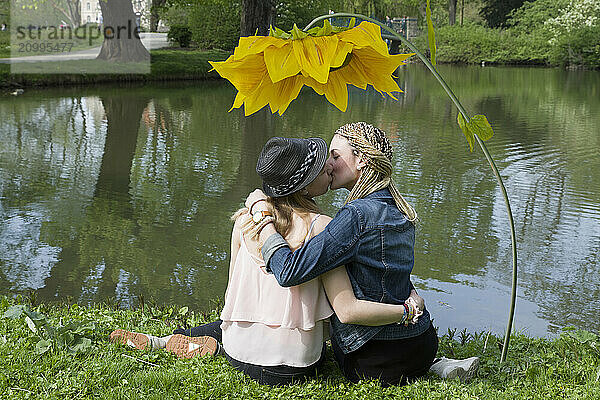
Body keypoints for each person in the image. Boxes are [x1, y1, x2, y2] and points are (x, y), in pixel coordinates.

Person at [110, 137, 423, 386]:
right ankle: (197, 342)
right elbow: (342, 308)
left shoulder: (245, 218)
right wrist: (404, 302)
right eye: (321, 167)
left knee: (233, 322)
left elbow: (233, 296)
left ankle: (165, 341)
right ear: (303, 184)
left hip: (237, 351)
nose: (329, 168)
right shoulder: (322, 226)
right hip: (293, 368)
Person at [246, 122, 479, 386]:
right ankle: (434, 367)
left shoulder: (355, 216)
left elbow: (289, 271)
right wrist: (410, 305)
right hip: (422, 344)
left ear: (362, 160)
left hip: (372, 359)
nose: (328, 164)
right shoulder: (401, 208)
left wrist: (263, 218)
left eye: (335, 156)